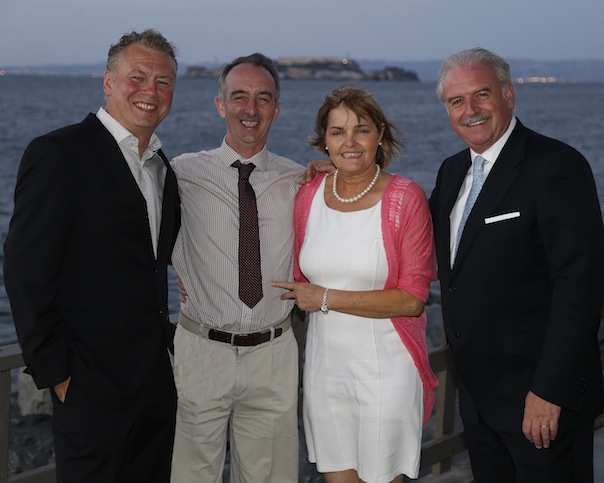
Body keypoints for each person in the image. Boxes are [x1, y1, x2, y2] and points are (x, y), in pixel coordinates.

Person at [3, 30, 181, 483]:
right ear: (108, 81)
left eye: (163, 82)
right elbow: (25, 272)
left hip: (155, 385)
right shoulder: (59, 153)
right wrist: (59, 374)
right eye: (137, 77)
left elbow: (151, 265)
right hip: (89, 388)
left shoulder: (164, 170)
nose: (150, 91)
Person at [429, 47, 604, 482]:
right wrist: (336, 176)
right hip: (479, 404)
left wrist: (549, 391)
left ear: (508, 95)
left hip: (541, 403)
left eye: (481, 95)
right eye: (456, 101)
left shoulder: (557, 167)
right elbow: (411, 235)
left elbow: (580, 289)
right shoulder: (451, 173)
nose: (470, 110)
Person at [170, 53, 332, 483]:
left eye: (263, 98)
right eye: (239, 96)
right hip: (201, 350)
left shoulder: (301, 180)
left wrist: (334, 174)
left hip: (274, 354)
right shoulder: (180, 174)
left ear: (277, 110)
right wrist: (174, 270)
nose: (251, 108)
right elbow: (137, 231)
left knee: (271, 477)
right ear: (220, 104)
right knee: (190, 476)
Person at [273, 86, 439, 483]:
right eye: (337, 132)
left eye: (361, 130)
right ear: (324, 140)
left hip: (386, 368)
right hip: (326, 369)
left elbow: (412, 300)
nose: (349, 142)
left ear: (379, 134)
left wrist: (325, 297)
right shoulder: (308, 194)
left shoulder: (406, 198)